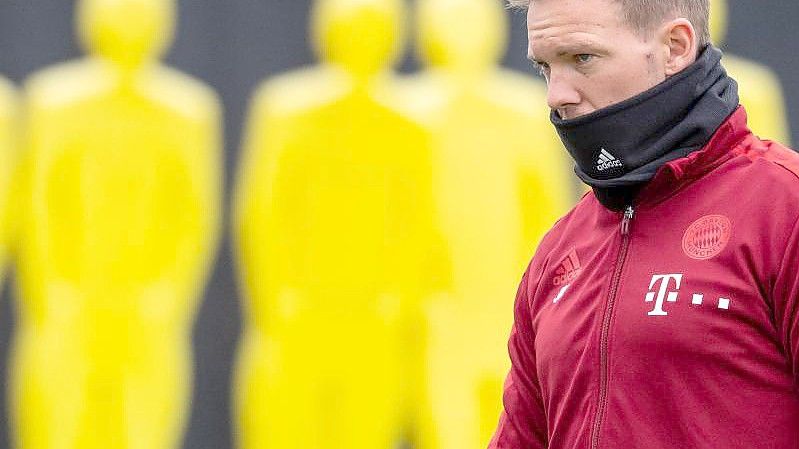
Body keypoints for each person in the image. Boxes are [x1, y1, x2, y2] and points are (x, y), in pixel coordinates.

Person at [489, 0, 799, 448]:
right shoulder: (558, 251)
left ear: (675, 47)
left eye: (581, 59)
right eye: (545, 67)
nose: (557, 95)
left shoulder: (783, 207)